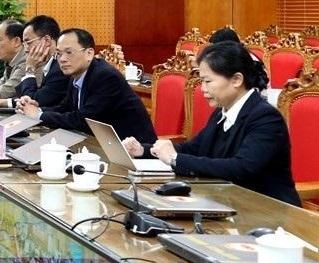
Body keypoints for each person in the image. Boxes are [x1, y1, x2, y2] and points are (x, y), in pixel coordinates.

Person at [123, 42, 300, 206]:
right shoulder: (221, 112)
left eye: (208, 81)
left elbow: (241, 168)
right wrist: (143, 150)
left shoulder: (266, 118)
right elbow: (193, 148)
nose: (203, 88)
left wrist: (176, 159)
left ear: (236, 80)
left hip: (268, 210)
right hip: (229, 201)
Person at [17, 28, 156, 143]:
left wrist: (39, 115)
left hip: (133, 151)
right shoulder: (78, 74)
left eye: (69, 52)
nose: (62, 59)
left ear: (89, 53)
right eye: (58, 54)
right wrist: (35, 109)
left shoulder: (106, 76)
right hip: (99, 144)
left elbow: (83, 120)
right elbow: (65, 108)